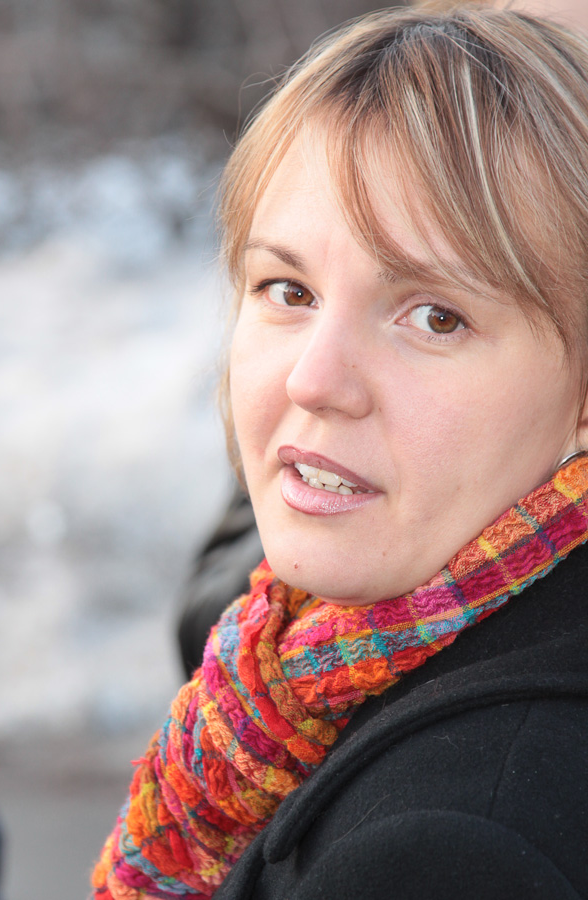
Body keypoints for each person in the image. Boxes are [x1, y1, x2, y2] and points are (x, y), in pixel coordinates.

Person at [92, 3, 588, 897]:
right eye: (288, 289)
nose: (315, 379)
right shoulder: (302, 677)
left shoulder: (451, 851)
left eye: (435, 316)